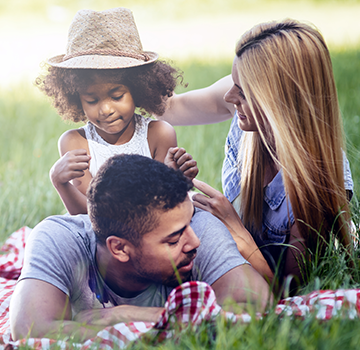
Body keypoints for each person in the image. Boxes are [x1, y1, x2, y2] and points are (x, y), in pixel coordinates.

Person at [158, 19, 354, 286]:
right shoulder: (248, 117)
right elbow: (168, 109)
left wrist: (235, 229)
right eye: (233, 83)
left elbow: (286, 293)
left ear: (280, 101)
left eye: (243, 91)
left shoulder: (316, 188)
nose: (228, 96)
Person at [9, 154, 271, 342]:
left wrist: (126, 316)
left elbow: (257, 306)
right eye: (173, 240)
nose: (194, 242)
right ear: (120, 249)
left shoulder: (195, 225)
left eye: (189, 224)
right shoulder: (59, 239)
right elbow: (29, 328)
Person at [36, 8, 197, 215]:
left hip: (154, 229)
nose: (105, 110)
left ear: (139, 90)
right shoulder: (75, 142)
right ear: (76, 98)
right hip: (99, 235)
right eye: (92, 100)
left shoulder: (158, 134)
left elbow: (163, 208)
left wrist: (178, 181)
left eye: (117, 96)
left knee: (203, 217)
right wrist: (60, 183)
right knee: (48, 232)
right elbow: (89, 214)